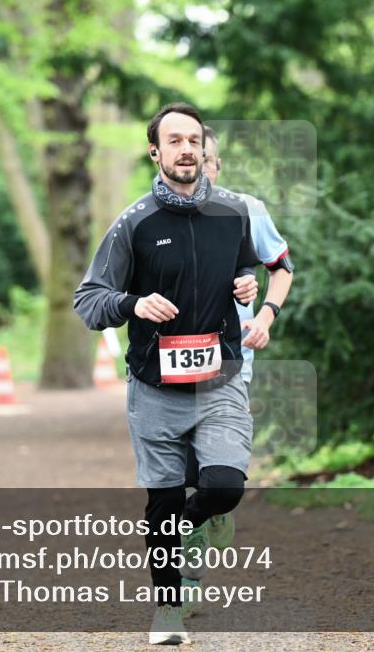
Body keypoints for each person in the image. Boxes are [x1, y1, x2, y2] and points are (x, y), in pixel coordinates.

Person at [74, 102, 261, 645]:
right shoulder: (133, 223)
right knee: (163, 502)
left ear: (205, 149)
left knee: (223, 487)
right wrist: (133, 303)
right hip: (155, 387)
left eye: (194, 140)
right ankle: (168, 610)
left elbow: (243, 264)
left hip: (220, 379)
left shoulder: (234, 212)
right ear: (154, 152)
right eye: (174, 141)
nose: (186, 149)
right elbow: (89, 301)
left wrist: (246, 283)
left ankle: (200, 521)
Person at [179, 125, 295, 614]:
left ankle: (209, 511)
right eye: (189, 156)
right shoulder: (155, 216)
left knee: (221, 480)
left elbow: (282, 266)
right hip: (168, 366)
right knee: (184, 470)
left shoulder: (245, 210)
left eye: (206, 158)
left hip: (229, 363)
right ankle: (188, 570)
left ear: (217, 165)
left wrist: (264, 316)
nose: (198, 165)